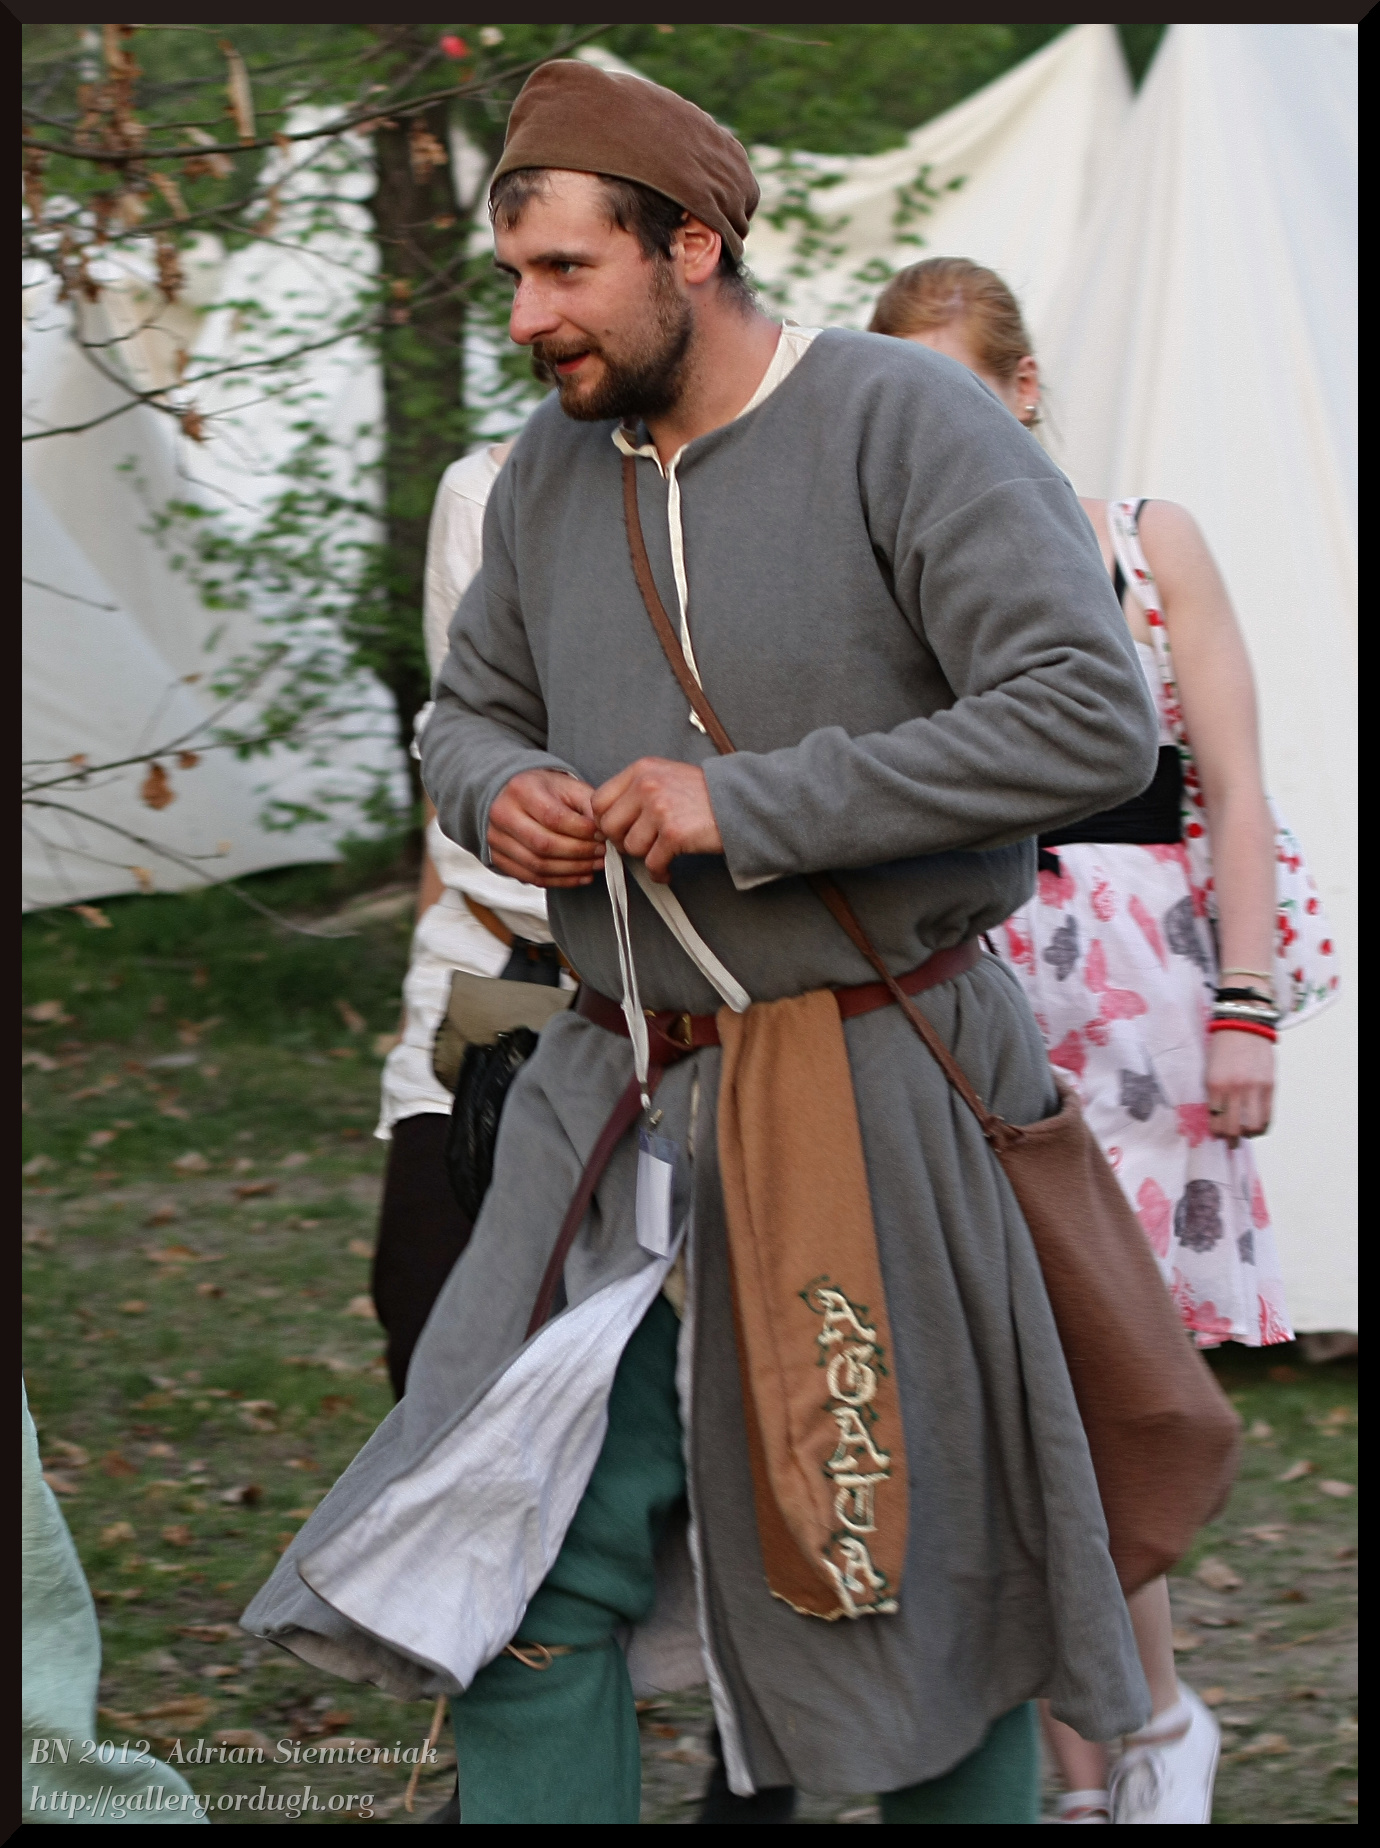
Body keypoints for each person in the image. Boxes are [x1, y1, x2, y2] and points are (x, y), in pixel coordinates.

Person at [244, 60, 1162, 1825]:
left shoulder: (903, 419)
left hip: (871, 1086)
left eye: (566, 270)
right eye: (514, 276)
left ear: (691, 245)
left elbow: (1086, 718)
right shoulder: (544, 470)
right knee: (508, 1549)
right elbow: (466, 715)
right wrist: (502, 792)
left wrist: (756, 803)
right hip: (606, 1099)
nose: (530, 317)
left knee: (911, 1581)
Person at [869, 255, 1292, 1824]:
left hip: (1142, 1005)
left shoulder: (1144, 541)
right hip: (968, 990)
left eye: (957, 396)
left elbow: (1234, 788)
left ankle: (1154, 1726)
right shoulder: (887, 570)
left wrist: (1247, 1005)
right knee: (1004, 1390)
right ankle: (1083, 1774)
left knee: (1108, 1384)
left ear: (1023, 387)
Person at [369, 439, 575, 1400]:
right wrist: (423, 988)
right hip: (493, 966)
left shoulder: (736, 489)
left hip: (662, 992)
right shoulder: (483, 489)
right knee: (424, 1304)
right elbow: (451, 743)